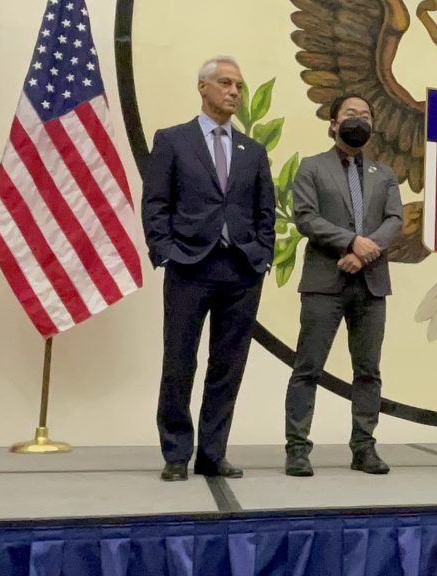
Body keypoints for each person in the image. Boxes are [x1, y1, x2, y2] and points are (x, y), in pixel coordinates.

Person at [141, 56, 275, 481]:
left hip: (240, 270)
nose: (234, 91)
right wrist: (164, 251)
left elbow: (265, 210)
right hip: (188, 266)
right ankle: (176, 453)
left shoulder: (252, 150)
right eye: (225, 83)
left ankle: (213, 453)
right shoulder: (173, 140)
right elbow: (156, 203)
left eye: (238, 85)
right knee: (179, 361)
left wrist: (262, 255)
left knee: (227, 365)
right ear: (202, 87)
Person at [284, 94, 403, 477]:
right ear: (333, 123)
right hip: (325, 280)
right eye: (351, 114)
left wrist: (365, 252)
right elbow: (306, 218)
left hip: (370, 284)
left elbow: (394, 221)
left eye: (366, 114)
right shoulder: (312, 167)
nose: (359, 119)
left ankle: (364, 447)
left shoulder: (384, 174)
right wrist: (351, 241)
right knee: (308, 368)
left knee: (368, 370)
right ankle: (298, 449)